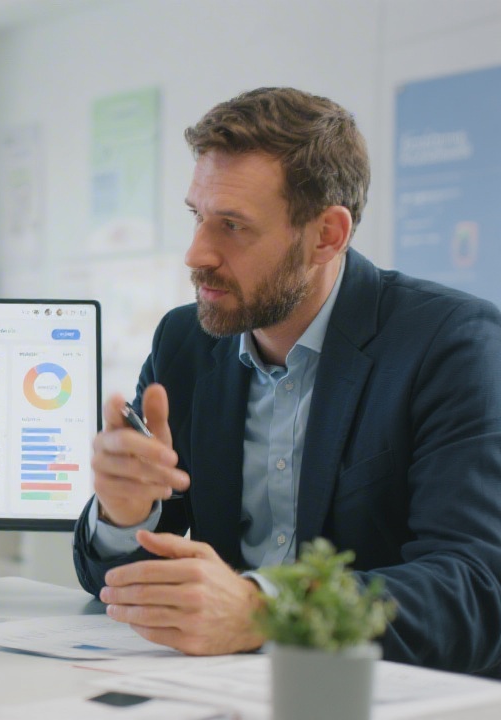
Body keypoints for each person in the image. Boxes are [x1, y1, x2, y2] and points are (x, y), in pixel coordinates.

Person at [72, 87, 501, 676]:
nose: (197, 253)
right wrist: (125, 515)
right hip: (225, 692)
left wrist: (265, 611)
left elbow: (473, 589)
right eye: (197, 217)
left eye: (232, 226)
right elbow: (119, 582)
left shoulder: (453, 343)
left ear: (326, 234)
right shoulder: (186, 343)